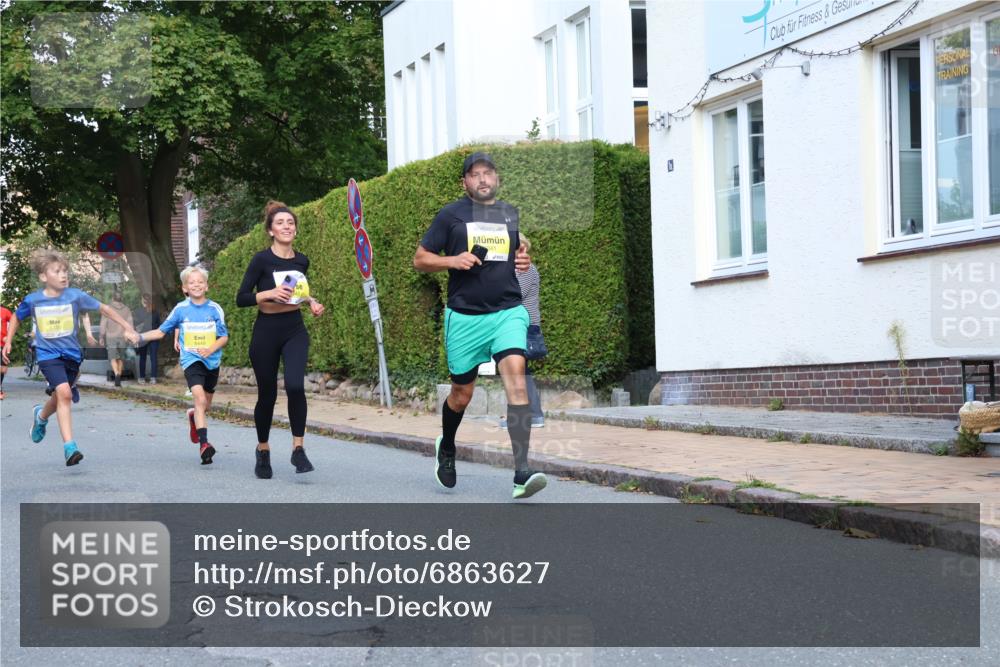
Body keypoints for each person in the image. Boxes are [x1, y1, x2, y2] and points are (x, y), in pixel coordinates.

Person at [413, 152, 547, 499]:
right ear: (465, 183)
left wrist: (523, 257)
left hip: (507, 311)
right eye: (475, 175)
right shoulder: (450, 215)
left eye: (489, 173)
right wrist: (452, 260)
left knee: (516, 379)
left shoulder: (508, 214)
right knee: (462, 394)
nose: (483, 179)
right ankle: (447, 446)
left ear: (497, 179)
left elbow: (517, 253)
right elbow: (420, 259)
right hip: (465, 317)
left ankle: (522, 471)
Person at [2, 249, 136, 466]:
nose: (64, 275)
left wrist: (127, 326)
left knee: (59, 397)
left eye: (65, 271)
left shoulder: (76, 296)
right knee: (64, 393)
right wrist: (8, 340)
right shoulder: (34, 300)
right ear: (44, 277)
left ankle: (41, 416)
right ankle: (70, 446)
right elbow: (17, 316)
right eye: (57, 271)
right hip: (48, 355)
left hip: (72, 356)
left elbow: (105, 309)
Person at [236, 201, 326, 479]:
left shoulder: (302, 260)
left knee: (296, 385)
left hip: (294, 329)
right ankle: (263, 450)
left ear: (295, 230)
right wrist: (268, 294)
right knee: (268, 395)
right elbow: (242, 298)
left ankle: (298, 449)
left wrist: (311, 301)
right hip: (266, 331)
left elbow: (298, 290)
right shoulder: (260, 260)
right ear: (271, 231)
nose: (287, 226)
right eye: (280, 223)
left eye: (290, 223)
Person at [128, 265, 228, 465]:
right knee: (199, 399)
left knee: (205, 404)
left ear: (206, 286)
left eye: (200, 282)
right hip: (191, 359)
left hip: (212, 361)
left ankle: (193, 416)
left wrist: (211, 349)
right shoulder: (180, 309)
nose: (197, 285)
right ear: (185, 288)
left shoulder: (215, 308)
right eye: (192, 283)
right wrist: (139, 337)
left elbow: (223, 336)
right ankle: (204, 445)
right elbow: (160, 332)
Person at [501, 232, 545, 429]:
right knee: (519, 370)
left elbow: (514, 294)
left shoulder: (526, 270)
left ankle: (528, 416)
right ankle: (532, 415)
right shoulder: (516, 270)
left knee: (516, 370)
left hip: (523, 326)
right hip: (517, 325)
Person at [99, 289, 133, 387]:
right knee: (121, 357)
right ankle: (119, 374)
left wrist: (101, 336)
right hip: (123, 336)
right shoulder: (127, 309)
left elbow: (103, 324)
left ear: (113, 298)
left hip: (111, 337)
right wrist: (129, 334)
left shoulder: (107, 309)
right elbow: (130, 323)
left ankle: (116, 373)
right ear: (121, 298)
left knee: (113, 357)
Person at [132, 294, 161, 384]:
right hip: (154, 336)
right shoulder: (155, 312)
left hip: (143, 337)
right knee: (153, 357)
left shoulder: (138, 312)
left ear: (142, 301)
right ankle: (153, 378)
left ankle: (142, 378)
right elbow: (158, 325)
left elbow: (135, 325)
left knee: (142, 358)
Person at [0, 305, 11, 399]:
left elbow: (14, 323)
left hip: (3, 344)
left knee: (3, 369)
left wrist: (9, 337)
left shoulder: (5, 311)